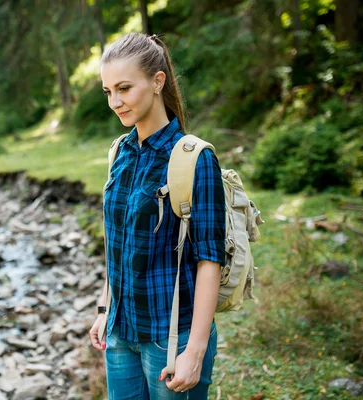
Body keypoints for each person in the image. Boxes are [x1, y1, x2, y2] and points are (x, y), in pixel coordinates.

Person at [89, 32, 226, 399]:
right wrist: (106, 309)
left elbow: (210, 260)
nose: (115, 101)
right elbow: (117, 241)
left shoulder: (195, 159)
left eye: (124, 88)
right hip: (121, 335)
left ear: (157, 82)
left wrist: (194, 351)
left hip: (171, 337)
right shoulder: (119, 152)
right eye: (107, 91)